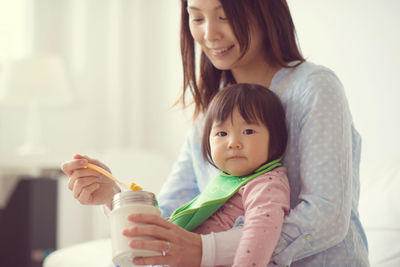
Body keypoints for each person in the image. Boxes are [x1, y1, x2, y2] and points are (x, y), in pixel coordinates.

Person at [61, 0, 370, 266]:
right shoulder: (209, 114)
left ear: (264, 9)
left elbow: (326, 216)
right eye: (197, 17)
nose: (209, 34)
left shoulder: (314, 88)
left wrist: (204, 250)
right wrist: (114, 198)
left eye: (225, 16)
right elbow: (170, 219)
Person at [167, 83, 290, 267]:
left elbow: (259, 234)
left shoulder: (267, 183)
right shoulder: (224, 181)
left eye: (248, 131)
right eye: (222, 133)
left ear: (274, 141)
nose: (233, 143)